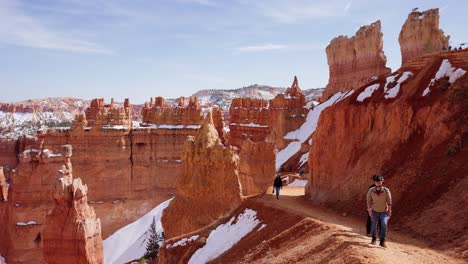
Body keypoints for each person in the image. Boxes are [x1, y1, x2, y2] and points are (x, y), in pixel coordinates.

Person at [366, 175, 392, 247]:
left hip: (384, 211)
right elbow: (368, 201)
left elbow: (389, 202)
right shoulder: (371, 190)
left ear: (382, 181)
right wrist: (369, 210)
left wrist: (389, 211)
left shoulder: (386, 190)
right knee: (374, 225)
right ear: (374, 182)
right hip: (374, 211)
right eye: (376, 182)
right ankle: (373, 239)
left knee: (384, 224)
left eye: (379, 181)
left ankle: (382, 241)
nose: (378, 183)